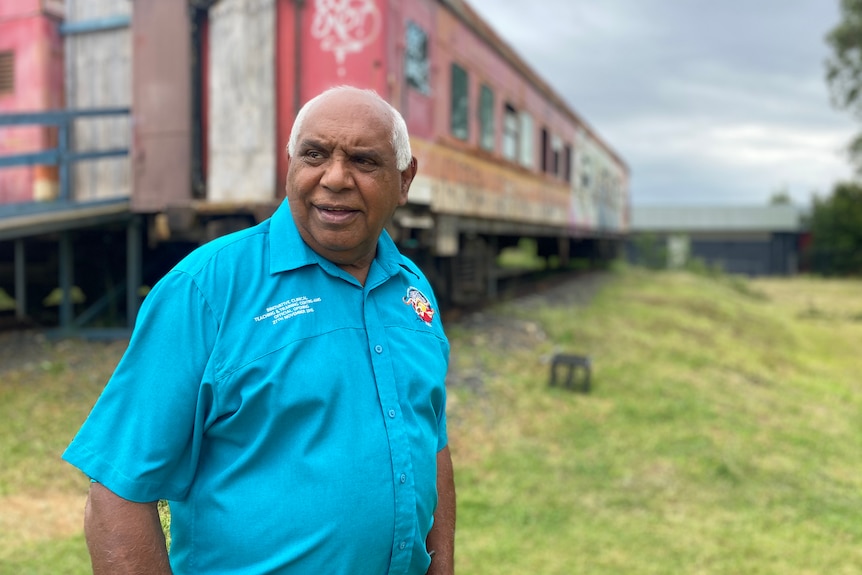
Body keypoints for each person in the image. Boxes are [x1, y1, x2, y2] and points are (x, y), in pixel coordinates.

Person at [63, 85, 455, 575]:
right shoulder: (205, 289)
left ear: (404, 179)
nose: (335, 178)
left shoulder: (411, 291)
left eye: (363, 161)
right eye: (314, 154)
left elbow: (430, 440)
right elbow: (117, 494)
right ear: (289, 162)